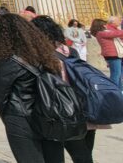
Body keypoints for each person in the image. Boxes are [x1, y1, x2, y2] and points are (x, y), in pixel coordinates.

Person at [0, 13, 74, 162]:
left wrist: (9, 120)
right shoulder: (46, 54)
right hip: (49, 115)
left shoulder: (10, 60)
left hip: (21, 117)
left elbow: (0, 96)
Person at [32, 16, 101, 163]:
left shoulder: (37, 55)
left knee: (53, 154)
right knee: (83, 155)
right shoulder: (70, 51)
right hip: (81, 107)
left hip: (57, 111)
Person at [92, 17, 123, 89]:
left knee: (118, 74)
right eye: (105, 24)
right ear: (102, 25)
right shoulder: (101, 33)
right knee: (116, 74)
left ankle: (119, 90)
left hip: (115, 55)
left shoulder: (103, 32)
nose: (107, 25)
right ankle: (113, 90)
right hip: (112, 55)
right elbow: (115, 33)